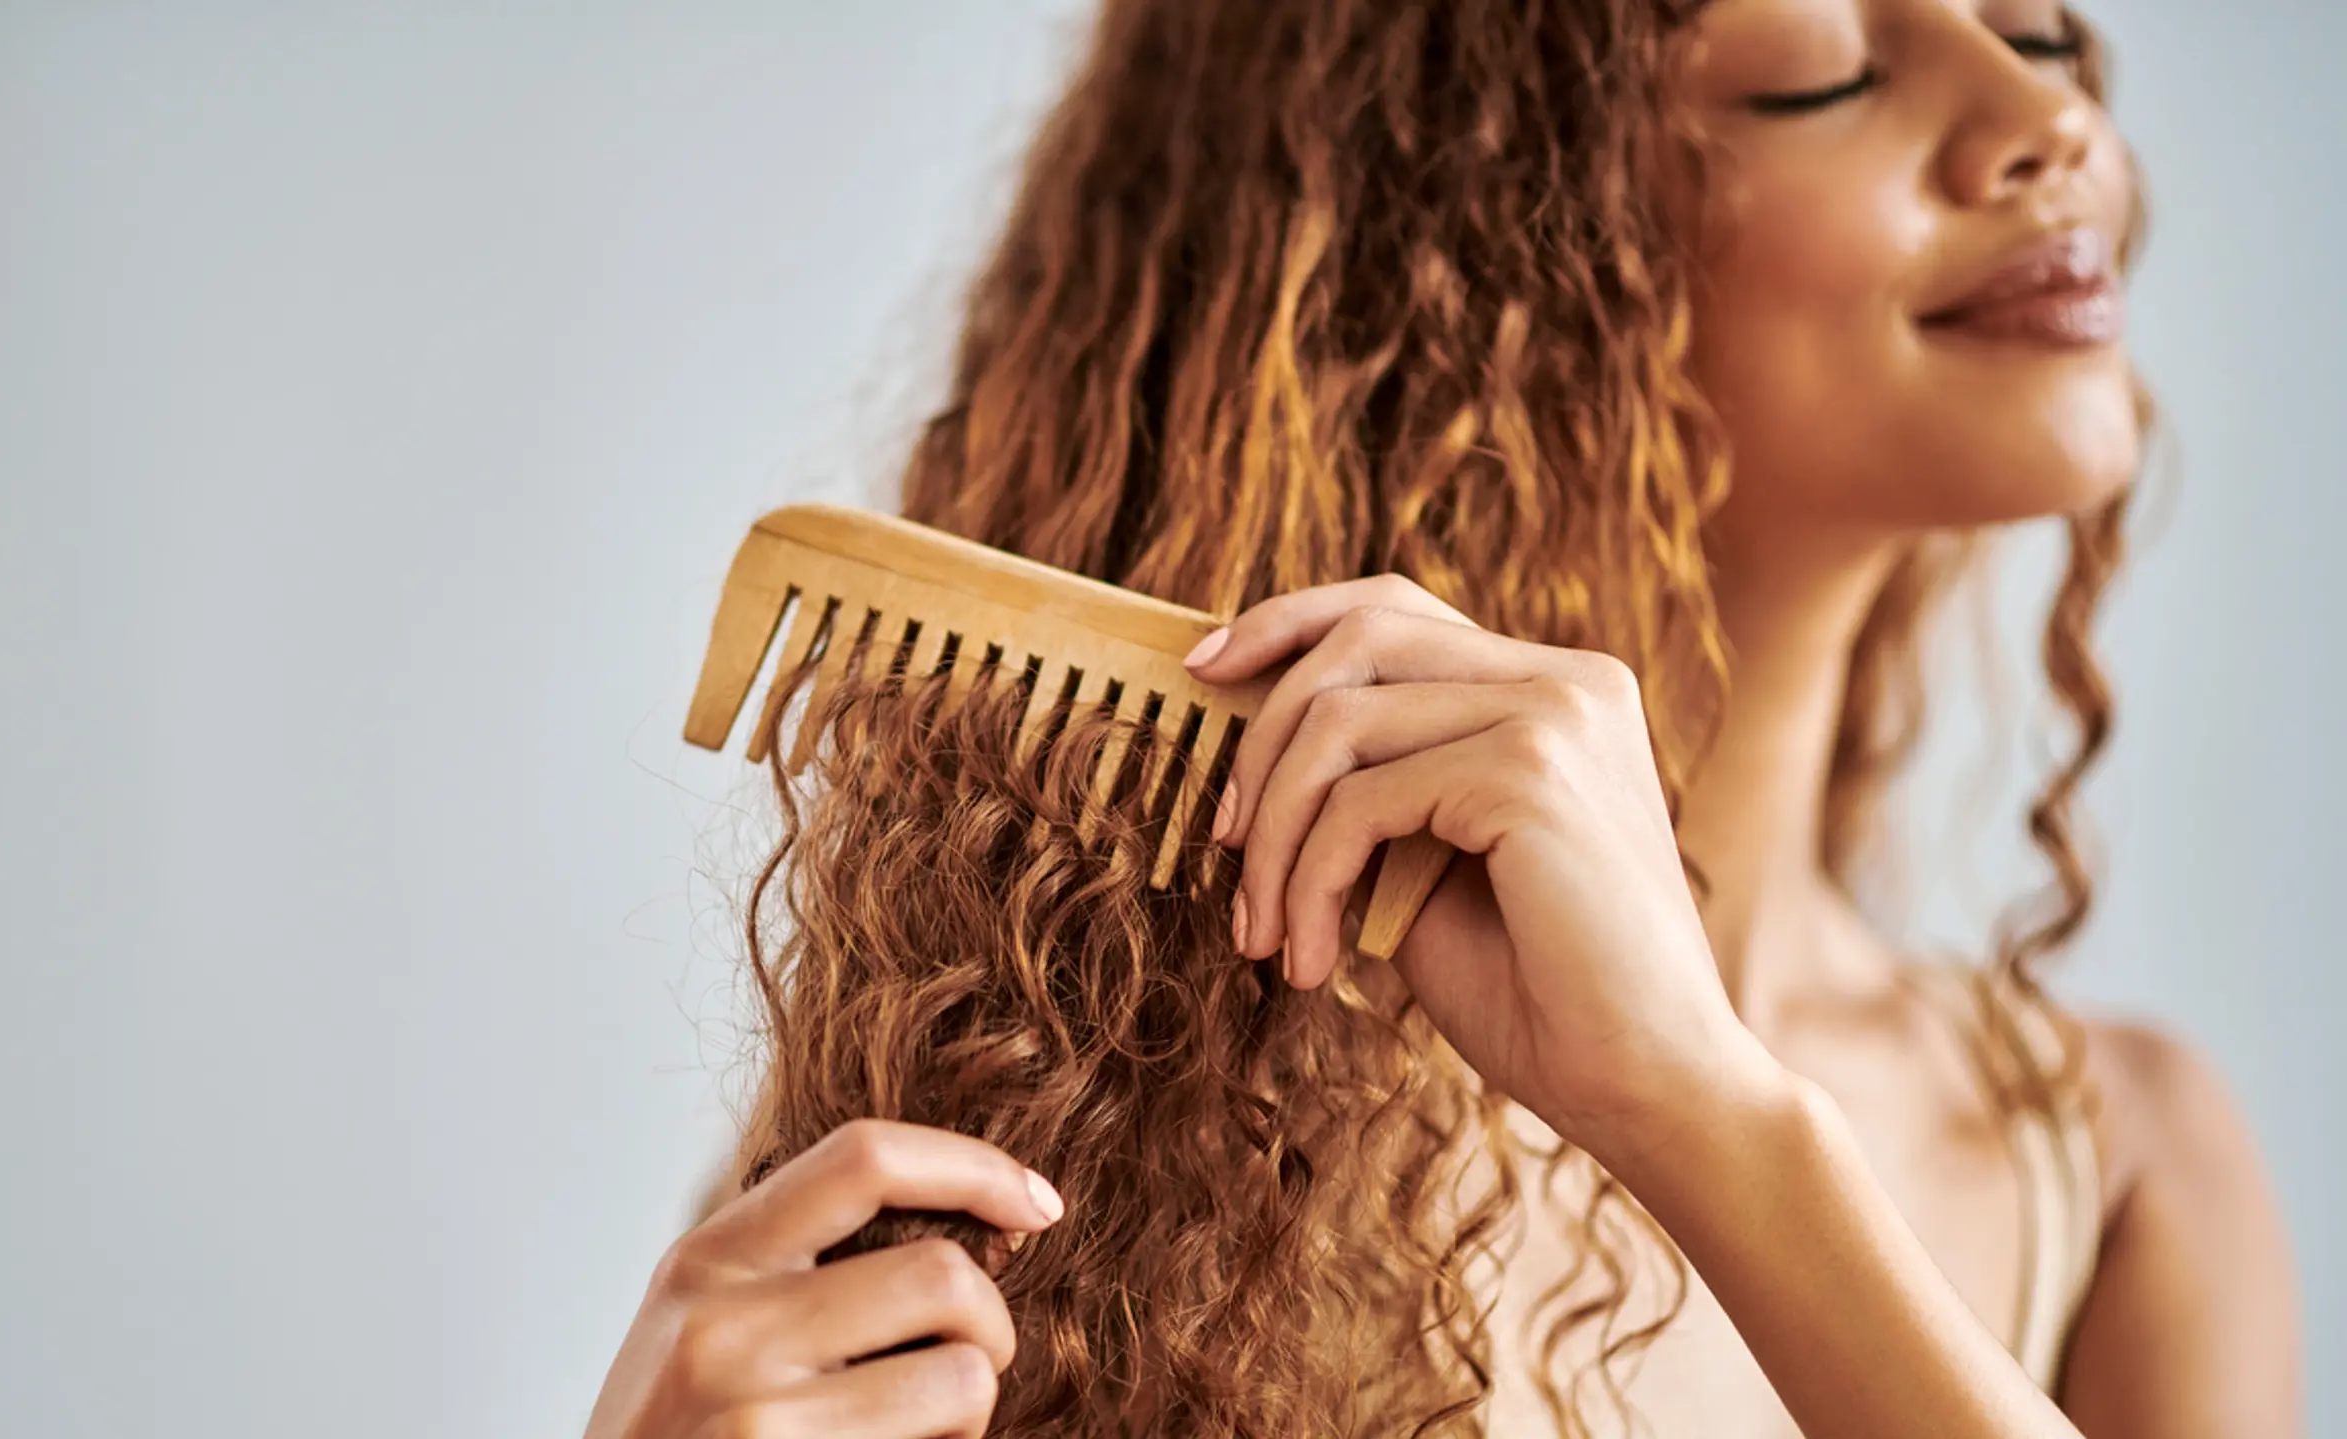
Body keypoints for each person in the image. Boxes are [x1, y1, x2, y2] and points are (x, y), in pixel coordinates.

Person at [586, 0, 2302, 1434]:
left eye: (2042, 31)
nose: (2048, 121)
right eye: (1819, 70)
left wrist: (1705, 1113)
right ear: (1474, 237)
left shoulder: (2128, 1169)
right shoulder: (1069, 1102)